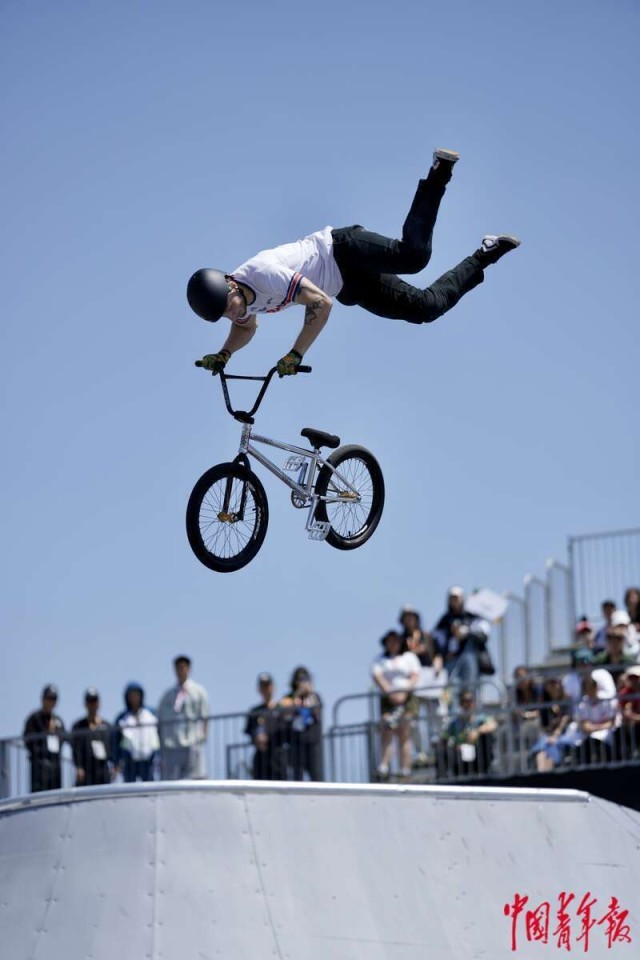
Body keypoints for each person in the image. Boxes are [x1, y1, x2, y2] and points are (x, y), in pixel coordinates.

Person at [188, 150, 520, 377]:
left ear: (231, 283)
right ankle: (485, 255)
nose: (232, 314)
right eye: (224, 314)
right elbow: (245, 327)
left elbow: (320, 303)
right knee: (425, 308)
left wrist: (295, 354)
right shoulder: (238, 301)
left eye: (228, 306)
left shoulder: (263, 272)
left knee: (414, 257)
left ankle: (438, 174)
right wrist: (224, 354)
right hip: (348, 284)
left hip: (342, 250)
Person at [399, 605, 447, 765]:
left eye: (412, 616)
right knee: (413, 720)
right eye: (406, 617)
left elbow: (438, 655)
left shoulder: (428, 636)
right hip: (413, 686)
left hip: (431, 683)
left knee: (439, 715)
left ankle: (440, 747)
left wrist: (437, 667)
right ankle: (420, 752)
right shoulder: (400, 640)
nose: (409, 620)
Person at [371, 630, 420, 781]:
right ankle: (384, 765)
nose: (393, 644)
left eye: (396, 641)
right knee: (387, 729)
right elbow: (377, 676)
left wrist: (403, 693)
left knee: (404, 732)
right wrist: (390, 693)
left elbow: (414, 676)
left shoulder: (409, 657)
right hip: (388, 699)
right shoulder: (380, 659)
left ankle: (405, 767)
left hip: (406, 698)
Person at [158, 655, 210, 780]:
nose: (180, 670)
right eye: (178, 668)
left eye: (183, 667)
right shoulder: (168, 694)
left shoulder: (198, 691)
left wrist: (202, 736)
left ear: (189, 669)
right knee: (171, 779)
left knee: (196, 777)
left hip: (192, 741)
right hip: (172, 744)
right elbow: (160, 718)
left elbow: (205, 716)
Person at [437, 690, 497, 778]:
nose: (467, 704)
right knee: (441, 748)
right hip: (461, 757)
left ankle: (485, 771)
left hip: (479, 755)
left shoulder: (481, 718)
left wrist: (478, 731)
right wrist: (455, 746)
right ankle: (442, 778)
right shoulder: (455, 723)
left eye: (470, 701)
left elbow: (493, 724)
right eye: (464, 701)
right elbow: (444, 736)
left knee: (487, 737)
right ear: (460, 704)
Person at [278, 667, 323, 782]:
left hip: (313, 742)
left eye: (305, 679)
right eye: (300, 679)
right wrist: (297, 695)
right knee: (297, 777)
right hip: (296, 742)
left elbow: (317, 710)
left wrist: (309, 694)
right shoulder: (289, 697)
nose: (303, 682)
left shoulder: (315, 696)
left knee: (316, 775)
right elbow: (282, 709)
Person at [113, 682, 159, 783]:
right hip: (129, 760)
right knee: (129, 788)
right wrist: (116, 761)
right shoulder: (122, 717)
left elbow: (158, 735)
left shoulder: (151, 714)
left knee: (149, 786)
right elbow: (115, 741)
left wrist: (158, 755)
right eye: (131, 695)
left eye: (136, 695)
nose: (134, 698)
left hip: (147, 759)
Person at [23, 684, 65, 793]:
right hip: (39, 767)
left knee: (56, 795)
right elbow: (28, 740)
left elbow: (63, 739)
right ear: (43, 699)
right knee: (39, 795)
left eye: (53, 699)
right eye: (49, 698)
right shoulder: (34, 719)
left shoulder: (58, 721)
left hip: (55, 766)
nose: (51, 702)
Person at [245, 673, 287, 781]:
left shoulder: (282, 709)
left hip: (277, 756)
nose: (266, 689)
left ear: (273, 687)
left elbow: (285, 729)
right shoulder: (254, 711)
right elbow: (249, 730)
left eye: (268, 685)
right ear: (259, 689)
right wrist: (257, 739)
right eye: (263, 686)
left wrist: (268, 737)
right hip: (261, 758)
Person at [529, 676, 573, 772]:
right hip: (548, 736)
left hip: (565, 734)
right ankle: (542, 774)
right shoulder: (544, 704)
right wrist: (550, 734)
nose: (553, 686)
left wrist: (556, 734)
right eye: (550, 683)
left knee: (551, 748)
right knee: (541, 752)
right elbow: (544, 726)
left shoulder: (567, 699)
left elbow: (566, 719)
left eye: (555, 683)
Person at [71, 688, 112, 787]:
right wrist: (78, 767)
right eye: (90, 701)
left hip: (103, 769)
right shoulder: (78, 726)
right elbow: (75, 749)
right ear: (85, 704)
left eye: (94, 701)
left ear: (99, 703)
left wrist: (114, 766)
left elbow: (112, 747)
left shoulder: (107, 726)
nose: (92, 704)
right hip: (86, 772)